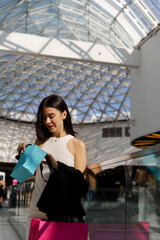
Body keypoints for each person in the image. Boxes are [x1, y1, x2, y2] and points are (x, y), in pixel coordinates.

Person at [17, 94, 87, 240]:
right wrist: (23, 156)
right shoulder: (40, 142)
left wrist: (55, 164)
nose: (47, 121)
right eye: (44, 117)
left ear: (64, 114)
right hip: (35, 212)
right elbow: (22, 177)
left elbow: (79, 185)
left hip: (61, 214)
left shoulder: (76, 145)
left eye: (51, 116)